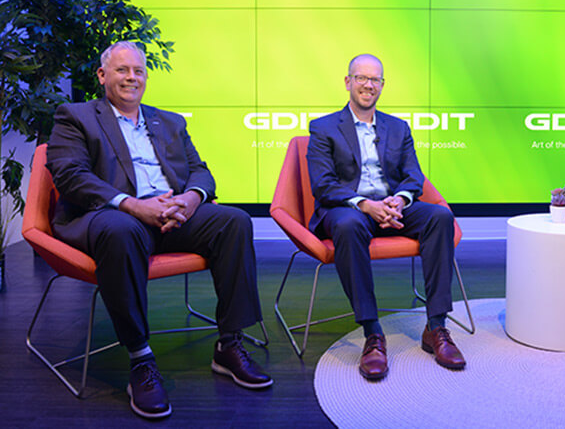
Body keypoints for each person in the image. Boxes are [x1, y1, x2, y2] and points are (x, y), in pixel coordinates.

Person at [46, 41, 272, 419]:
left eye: (138, 71)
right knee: (122, 231)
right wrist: (134, 205)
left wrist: (191, 199)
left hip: (171, 212)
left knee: (234, 221)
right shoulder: (75, 116)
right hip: (115, 214)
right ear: (102, 76)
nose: (131, 77)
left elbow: (200, 169)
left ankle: (229, 343)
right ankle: (140, 359)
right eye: (122, 70)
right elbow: (71, 176)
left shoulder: (168, 121)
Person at [306, 53, 466, 380]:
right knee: (348, 225)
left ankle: (436, 327)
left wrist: (400, 200)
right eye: (361, 78)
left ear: (382, 85)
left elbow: (413, 176)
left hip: (394, 208)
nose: (368, 85)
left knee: (439, 217)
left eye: (375, 79)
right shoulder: (323, 128)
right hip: (351, 210)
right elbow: (323, 185)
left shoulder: (398, 127)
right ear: (348, 82)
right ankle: (372, 333)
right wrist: (365, 204)